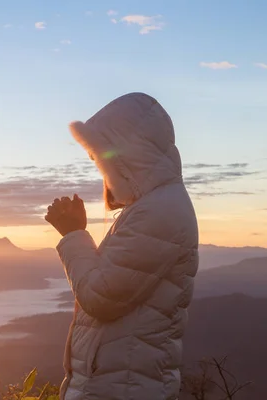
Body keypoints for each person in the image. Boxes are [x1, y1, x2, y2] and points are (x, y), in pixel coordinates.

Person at [45, 92, 199, 400]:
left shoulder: (160, 212)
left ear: (130, 157)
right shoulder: (150, 207)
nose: (100, 168)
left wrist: (73, 234)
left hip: (125, 388)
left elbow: (102, 297)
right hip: (121, 383)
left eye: (102, 159)